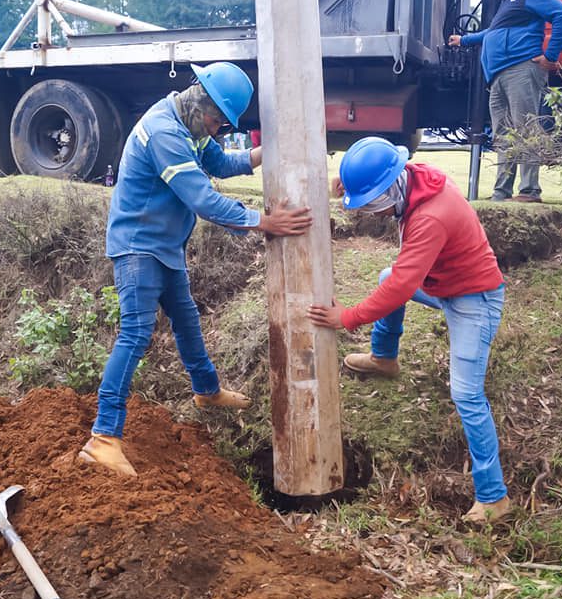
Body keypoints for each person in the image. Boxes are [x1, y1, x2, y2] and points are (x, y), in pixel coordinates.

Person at [79, 62, 313, 476]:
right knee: (135, 333)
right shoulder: (166, 133)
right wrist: (264, 221)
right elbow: (203, 199)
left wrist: (271, 151)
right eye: (217, 122)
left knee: (186, 320)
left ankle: (206, 391)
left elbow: (222, 164)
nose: (218, 130)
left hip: (164, 245)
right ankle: (103, 437)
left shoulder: (189, 123)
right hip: (137, 246)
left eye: (223, 125)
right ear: (200, 102)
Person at [307, 137, 510, 523]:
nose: (372, 211)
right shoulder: (412, 179)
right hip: (444, 287)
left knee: (466, 393)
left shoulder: (431, 216)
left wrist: (347, 317)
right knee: (387, 275)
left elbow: (401, 286)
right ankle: (384, 358)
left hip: (474, 301)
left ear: (390, 187)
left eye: (372, 202)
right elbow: (396, 277)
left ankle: (494, 496)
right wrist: (352, 183)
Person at [448, 0, 562, 203]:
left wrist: (551, 56)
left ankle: (529, 191)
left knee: (525, 128)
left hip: (521, 68)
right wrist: (464, 40)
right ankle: (501, 193)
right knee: (504, 135)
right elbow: (494, 32)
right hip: (498, 75)